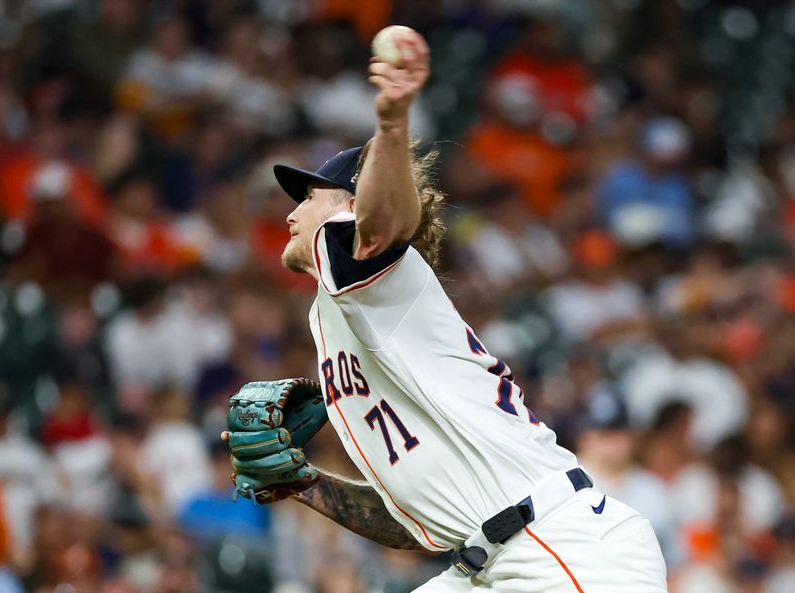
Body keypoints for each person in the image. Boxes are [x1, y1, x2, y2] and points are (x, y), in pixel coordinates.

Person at [225, 29, 668, 592]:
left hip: (565, 546)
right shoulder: (350, 314)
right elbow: (418, 521)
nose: (294, 211)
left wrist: (391, 122)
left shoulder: (374, 270)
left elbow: (381, 226)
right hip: (488, 555)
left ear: (352, 207)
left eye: (309, 196)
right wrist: (304, 484)